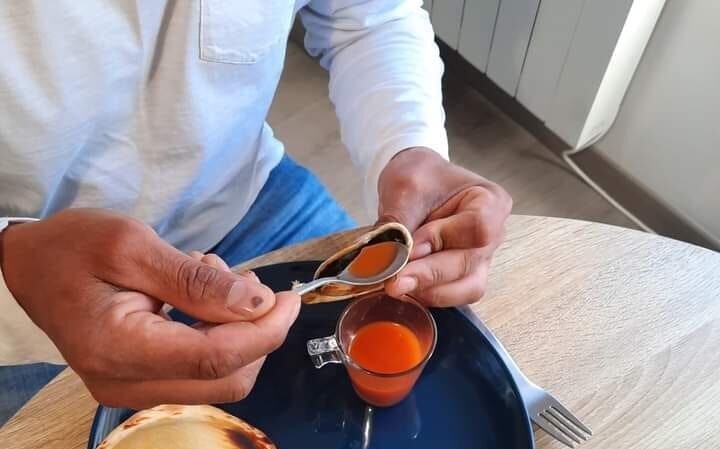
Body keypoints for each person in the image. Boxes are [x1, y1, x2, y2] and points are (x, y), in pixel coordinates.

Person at [0, 1, 511, 422]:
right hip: (27, 293)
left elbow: (368, 16)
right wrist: (16, 256)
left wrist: (411, 146)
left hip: (252, 194)